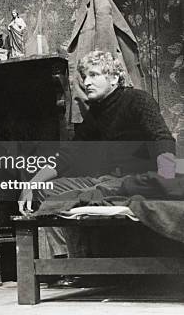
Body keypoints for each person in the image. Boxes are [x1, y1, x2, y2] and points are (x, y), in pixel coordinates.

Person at [18, 50, 176, 276]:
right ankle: (70, 264)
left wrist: (167, 179)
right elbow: (69, 156)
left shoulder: (137, 100)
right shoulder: (94, 114)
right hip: (106, 181)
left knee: (91, 191)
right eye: (84, 77)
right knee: (45, 189)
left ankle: (81, 270)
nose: (86, 82)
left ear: (113, 78)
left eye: (93, 75)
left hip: (135, 180)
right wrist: (32, 183)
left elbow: (162, 139)